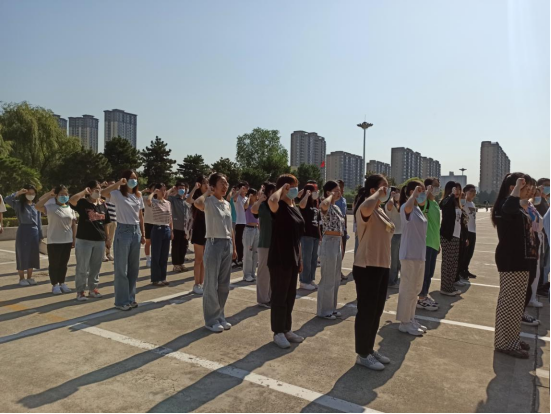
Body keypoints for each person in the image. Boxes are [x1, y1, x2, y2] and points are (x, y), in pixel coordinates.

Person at [492, 173, 537, 359]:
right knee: (509, 303)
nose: (530, 191)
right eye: (527, 187)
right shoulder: (506, 204)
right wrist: (518, 187)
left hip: (521, 260)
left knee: (517, 304)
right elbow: (510, 208)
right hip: (511, 259)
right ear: (513, 188)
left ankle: (513, 338)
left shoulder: (516, 205)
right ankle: (504, 343)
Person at [353, 174, 395, 371]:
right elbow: (365, 207)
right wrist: (378, 193)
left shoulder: (380, 210)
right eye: (383, 187)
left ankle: (369, 348)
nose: (387, 190)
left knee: (376, 311)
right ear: (373, 190)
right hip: (367, 266)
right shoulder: (366, 207)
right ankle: (362, 354)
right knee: (366, 311)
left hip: (382, 265)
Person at [194, 173, 237, 333]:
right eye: (222, 183)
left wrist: (234, 247)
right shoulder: (209, 201)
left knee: (224, 284)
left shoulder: (226, 204)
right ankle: (211, 320)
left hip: (227, 243)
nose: (225, 186)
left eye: (226, 183)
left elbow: (230, 227)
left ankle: (220, 316)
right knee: (211, 284)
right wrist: (207, 192)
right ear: (213, 186)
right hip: (213, 243)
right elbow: (197, 203)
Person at [268, 174, 305, 350]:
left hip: (293, 257)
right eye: (292, 186)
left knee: (290, 296)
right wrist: (281, 190)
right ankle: (278, 332)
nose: (296, 189)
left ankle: (286, 329)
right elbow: (271, 201)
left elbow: (298, 238)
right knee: (279, 297)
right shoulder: (279, 206)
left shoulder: (294, 207)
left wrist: (300, 258)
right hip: (279, 258)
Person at [102, 171, 146, 311]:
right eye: (130, 178)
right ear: (125, 179)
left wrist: (143, 234)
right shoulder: (117, 194)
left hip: (136, 231)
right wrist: (118, 183)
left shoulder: (138, 195)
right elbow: (103, 193)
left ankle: (130, 298)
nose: (133, 180)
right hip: (123, 230)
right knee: (121, 268)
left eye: (135, 178)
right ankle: (121, 301)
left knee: (134, 268)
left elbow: (140, 216)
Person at [397, 181, 429, 337]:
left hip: (419, 255)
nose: (422, 194)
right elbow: (407, 208)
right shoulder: (406, 206)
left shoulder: (418, 209)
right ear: (411, 192)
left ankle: (411, 318)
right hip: (409, 255)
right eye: (419, 191)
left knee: (415, 289)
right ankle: (404, 322)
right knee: (407, 289)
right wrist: (414, 194)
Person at [69, 182, 111, 301]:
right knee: (82, 268)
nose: (98, 191)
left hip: (99, 240)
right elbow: (72, 200)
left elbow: (106, 223)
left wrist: (107, 238)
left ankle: (93, 289)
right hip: (84, 240)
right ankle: (80, 291)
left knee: (95, 267)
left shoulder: (103, 205)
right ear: (90, 190)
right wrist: (84, 192)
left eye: (99, 189)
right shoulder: (83, 203)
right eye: (95, 189)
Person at [36, 186, 77, 295]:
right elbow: (37, 206)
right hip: (54, 241)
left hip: (67, 240)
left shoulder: (70, 209)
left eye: (66, 194)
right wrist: (49, 195)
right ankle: (55, 285)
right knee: (54, 264)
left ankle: (62, 283)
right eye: (61, 194)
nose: (64, 196)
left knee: (64, 263)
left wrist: (74, 238)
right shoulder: (50, 207)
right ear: (56, 196)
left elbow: (73, 224)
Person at [318, 181, 346, 320]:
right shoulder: (326, 205)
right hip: (328, 241)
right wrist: (329, 196)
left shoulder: (337, 208)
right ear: (328, 192)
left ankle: (332, 308)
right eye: (335, 190)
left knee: (335, 279)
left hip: (337, 242)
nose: (338, 192)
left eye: (339, 190)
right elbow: (323, 205)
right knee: (328, 278)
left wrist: (341, 245)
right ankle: (324, 310)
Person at [4, 186, 42, 287]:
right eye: (29, 193)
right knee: (22, 254)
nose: (31, 195)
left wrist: (40, 235)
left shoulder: (36, 206)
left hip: (35, 231)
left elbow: (39, 222)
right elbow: (7, 199)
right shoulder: (19, 204)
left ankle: (29, 277)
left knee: (33, 255)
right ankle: (22, 278)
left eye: (33, 193)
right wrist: (18, 193)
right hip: (23, 231)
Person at [418, 178, 442, 311]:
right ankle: (421, 298)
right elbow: (420, 202)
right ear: (428, 187)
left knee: (430, 273)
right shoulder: (425, 202)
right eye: (435, 186)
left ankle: (424, 295)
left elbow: (436, 225)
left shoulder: (435, 203)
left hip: (434, 243)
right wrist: (426, 192)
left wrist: (438, 244)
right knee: (425, 273)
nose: (438, 188)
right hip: (426, 243)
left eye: (438, 186)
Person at [251, 182, 276, 308]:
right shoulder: (263, 206)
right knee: (263, 272)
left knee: (272, 273)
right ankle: (263, 299)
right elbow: (253, 210)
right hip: (265, 243)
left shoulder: (276, 206)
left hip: (275, 243)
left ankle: (270, 296)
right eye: (273, 191)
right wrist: (260, 199)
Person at [439, 182, 464, 297]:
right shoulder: (447, 201)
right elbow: (442, 204)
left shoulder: (456, 203)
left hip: (456, 236)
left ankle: (450, 286)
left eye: (459, 189)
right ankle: (445, 288)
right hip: (448, 236)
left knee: (453, 263)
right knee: (448, 263)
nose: (457, 192)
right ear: (450, 190)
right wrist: (451, 195)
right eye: (455, 189)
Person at [147, 183, 174, 287]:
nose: (163, 192)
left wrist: (171, 231)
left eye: (164, 190)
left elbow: (170, 218)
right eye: (161, 190)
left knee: (164, 256)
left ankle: (163, 277)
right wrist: (153, 193)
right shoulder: (154, 201)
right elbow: (148, 201)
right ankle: (156, 278)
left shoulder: (168, 203)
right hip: (157, 228)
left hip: (166, 228)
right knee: (156, 256)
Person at [187, 176, 209, 296]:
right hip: (199, 229)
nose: (206, 185)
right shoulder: (197, 198)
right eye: (204, 183)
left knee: (205, 260)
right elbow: (188, 200)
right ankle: (197, 284)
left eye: (208, 183)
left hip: (209, 230)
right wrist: (195, 188)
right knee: (198, 259)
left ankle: (202, 282)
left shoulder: (209, 197)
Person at [298, 183, 321, 291]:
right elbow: (301, 205)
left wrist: (320, 236)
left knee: (313, 259)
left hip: (315, 234)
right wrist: (306, 195)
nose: (316, 193)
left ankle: (310, 279)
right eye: (314, 191)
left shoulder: (315, 204)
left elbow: (318, 221)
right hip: (306, 234)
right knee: (306, 258)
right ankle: (304, 281)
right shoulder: (305, 203)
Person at [168, 182, 191, 273]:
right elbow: (165, 196)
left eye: (183, 188)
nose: (182, 190)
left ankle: (181, 263)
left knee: (184, 247)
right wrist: (172, 188)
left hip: (185, 228)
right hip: (176, 226)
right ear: (177, 189)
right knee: (176, 246)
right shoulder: (173, 199)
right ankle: (176, 265)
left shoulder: (186, 200)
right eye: (180, 188)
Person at [459, 184, 478, 280]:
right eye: (471, 191)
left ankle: (466, 269)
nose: (473, 193)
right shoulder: (464, 203)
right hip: (466, 231)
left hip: (473, 231)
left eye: (474, 191)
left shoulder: (472, 204)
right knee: (464, 253)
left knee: (470, 252)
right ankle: (461, 271)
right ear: (465, 192)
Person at [536, 177, 550, 297]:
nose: (548, 188)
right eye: (546, 185)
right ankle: (540, 286)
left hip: (547, 237)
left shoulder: (545, 201)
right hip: (541, 237)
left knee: (546, 263)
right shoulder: (538, 201)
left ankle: (544, 284)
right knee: (541, 263)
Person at [242, 188, 260, 283]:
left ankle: (252, 273)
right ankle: (247, 275)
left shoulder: (256, 206)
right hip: (248, 229)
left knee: (255, 253)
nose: (256, 197)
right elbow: (245, 206)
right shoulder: (248, 205)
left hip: (256, 229)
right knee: (248, 253)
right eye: (255, 195)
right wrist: (248, 197)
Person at [385, 188, 402, 288]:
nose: (397, 195)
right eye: (395, 193)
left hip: (401, 234)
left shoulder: (400, 205)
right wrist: (391, 197)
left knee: (399, 260)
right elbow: (390, 205)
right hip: (394, 235)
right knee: (394, 260)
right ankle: (391, 281)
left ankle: (395, 279)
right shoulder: (389, 204)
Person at [233, 181, 250, 267]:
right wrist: (239, 190)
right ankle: (237, 259)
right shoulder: (238, 197)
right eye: (244, 187)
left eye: (246, 187)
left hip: (246, 222)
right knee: (238, 241)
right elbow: (234, 198)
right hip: (239, 222)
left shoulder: (247, 198)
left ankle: (242, 258)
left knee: (245, 242)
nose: (245, 189)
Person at [336, 180, 349, 280]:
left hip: (343, 229)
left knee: (342, 251)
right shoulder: (333, 200)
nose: (342, 189)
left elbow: (345, 215)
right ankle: (335, 273)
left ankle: (338, 271)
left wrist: (346, 228)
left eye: (342, 187)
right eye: (340, 187)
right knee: (336, 252)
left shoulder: (343, 200)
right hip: (335, 229)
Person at [143, 184, 156, 268]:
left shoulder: (160, 199)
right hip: (148, 223)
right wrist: (144, 191)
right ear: (150, 190)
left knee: (156, 243)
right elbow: (135, 196)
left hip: (157, 223)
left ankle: (154, 259)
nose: (156, 190)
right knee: (148, 242)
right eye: (154, 189)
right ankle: (148, 259)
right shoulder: (145, 198)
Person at [103, 181, 117, 262]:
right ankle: (103, 254)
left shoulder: (116, 196)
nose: (113, 185)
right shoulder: (108, 195)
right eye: (111, 183)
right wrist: (105, 186)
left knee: (111, 238)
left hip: (114, 220)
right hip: (107, 221)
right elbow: (102, 192)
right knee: (106, 237)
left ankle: (108, 253)